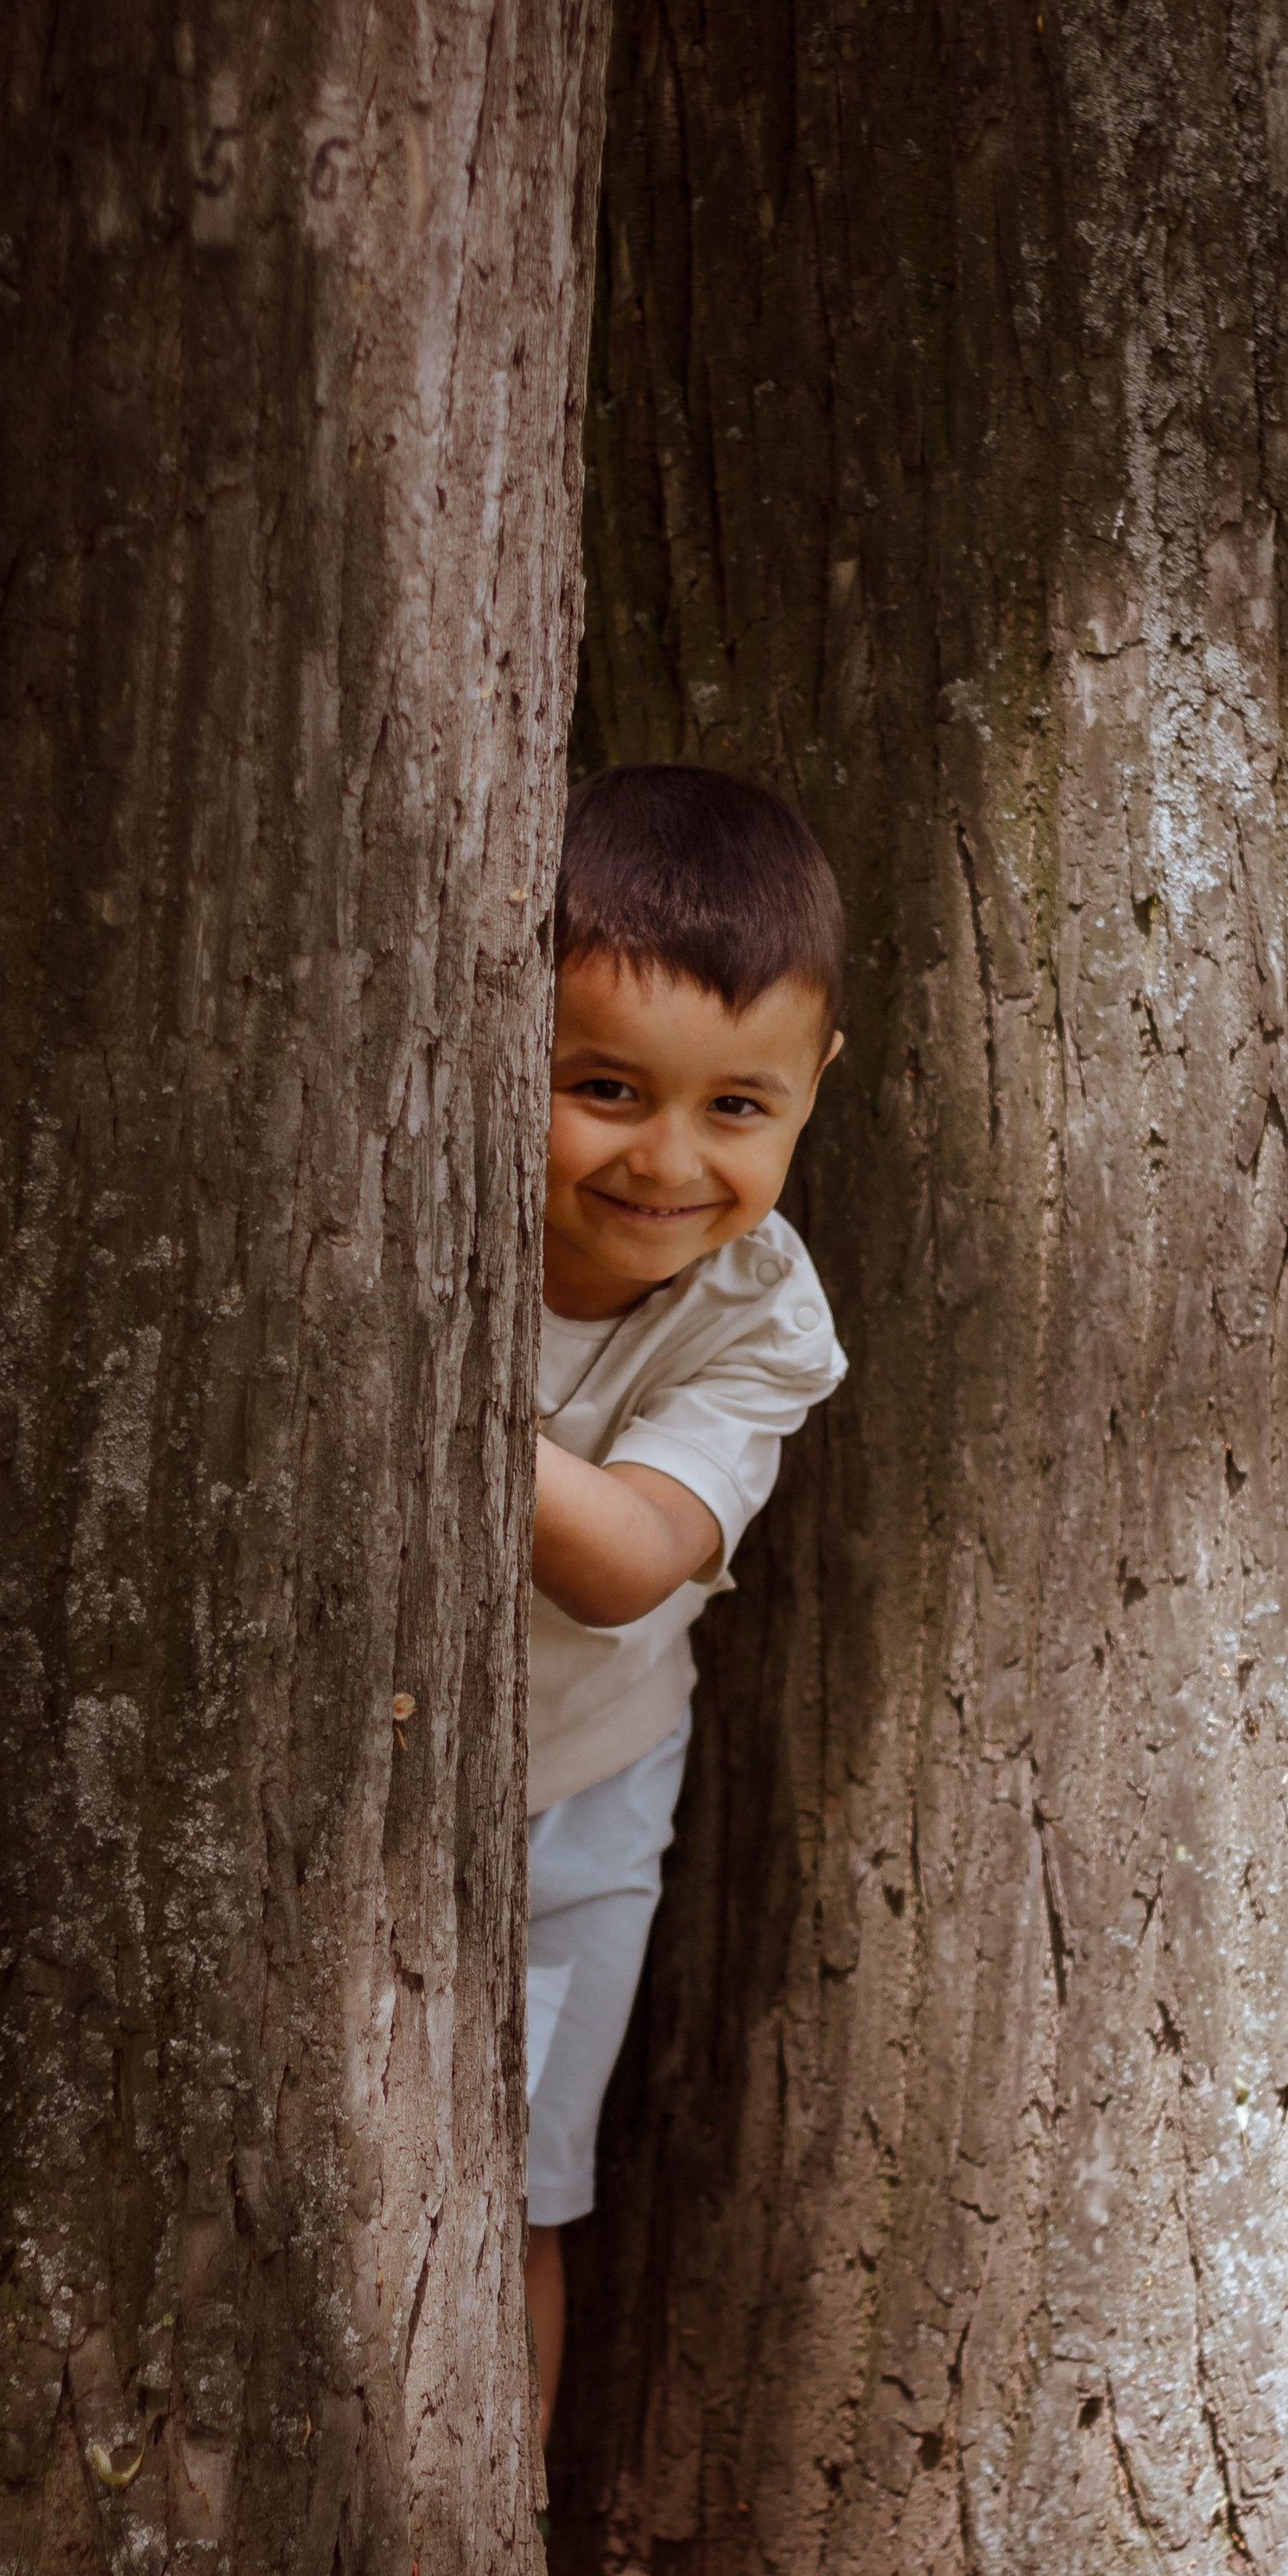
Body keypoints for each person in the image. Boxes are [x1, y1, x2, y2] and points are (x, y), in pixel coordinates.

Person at [523, 765, 847, 2443]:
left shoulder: (758, 1317)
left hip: (567, 1807)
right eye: (601, 1087)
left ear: (812, 1091)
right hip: (324, 1787)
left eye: (737, 1107)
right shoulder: (417, 1203)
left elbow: (627, 1557)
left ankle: (484, 2567)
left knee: (509, 2196)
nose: (666, 1159)